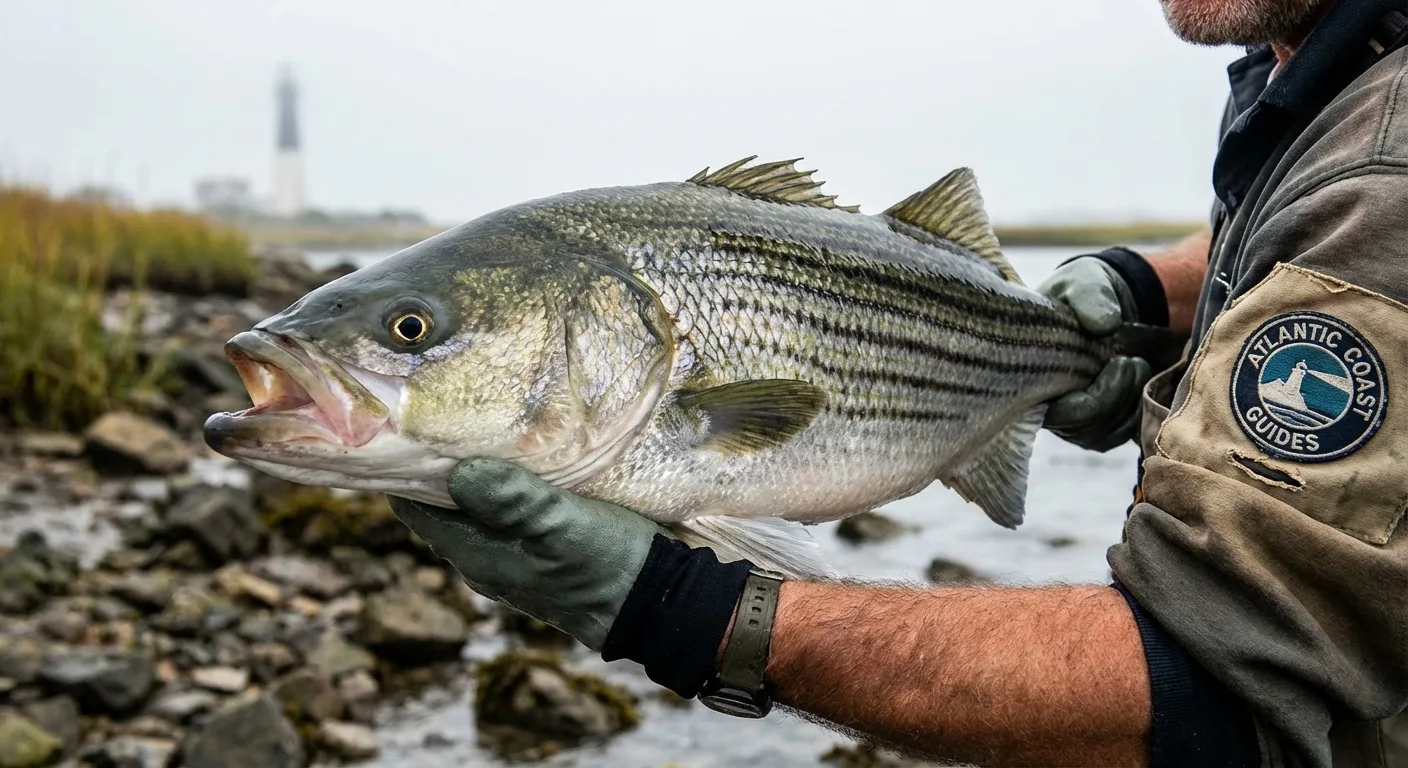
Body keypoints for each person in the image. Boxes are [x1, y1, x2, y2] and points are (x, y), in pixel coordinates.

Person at [388, 0, 1408, 764]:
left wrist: (683, 612)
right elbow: (1308, 235)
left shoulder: (1382, 162)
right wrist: (1144, 289)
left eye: (411, 332)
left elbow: (1214, 687)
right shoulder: (1318, 77)